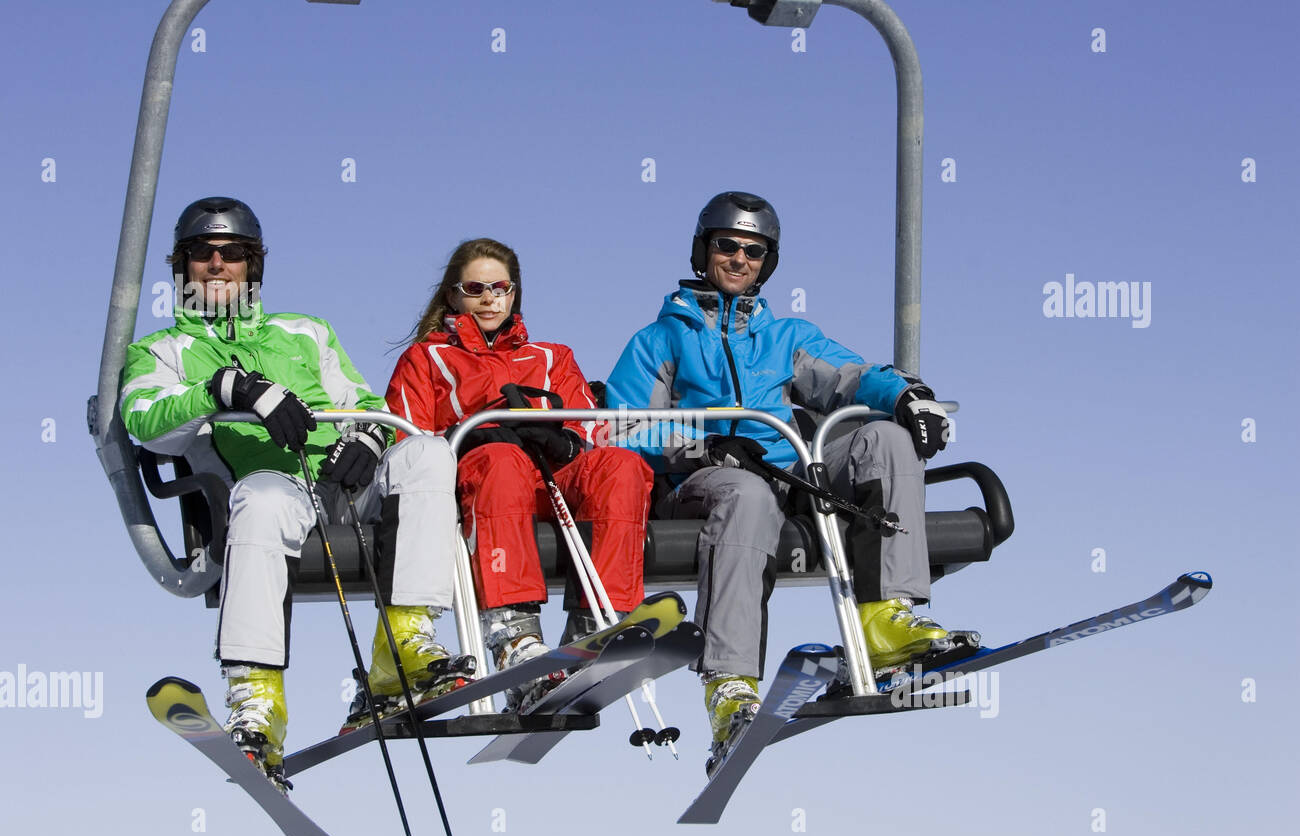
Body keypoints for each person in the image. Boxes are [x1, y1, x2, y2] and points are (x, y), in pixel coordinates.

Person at [604, 191, 977, 772]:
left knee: (884, 438)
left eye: (754, 251)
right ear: (704, 251)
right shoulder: (660, 340)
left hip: (784, 470)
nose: (739, 259)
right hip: (701, 483)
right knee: (747, 493)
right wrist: (700, 443)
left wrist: (907, 397)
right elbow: (623, 427)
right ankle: (730, 688)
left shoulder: (785, 337)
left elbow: (851, 377)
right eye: (727, 246)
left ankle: (885, 620)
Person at [120, 197, 464, 786]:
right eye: (204, 254)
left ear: (255, 266)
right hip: (270, 489)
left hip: (341, 484)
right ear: (182, 267)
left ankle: (402, 651)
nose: (219, 265)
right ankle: (257, 705)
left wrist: (367, 440)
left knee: (429, 453)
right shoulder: (162, 351)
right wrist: (226, 389)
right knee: (262, 500)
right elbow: (144, 419)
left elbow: (370, 406)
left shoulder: (307, 332)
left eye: (234, 254)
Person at [387, 238, 654, 712]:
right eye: (475, 288)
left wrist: (563, 438)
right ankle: (516, 642)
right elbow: (410, 442)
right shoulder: (426, 359)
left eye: (500, 287)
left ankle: (595, 626)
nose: (489, 299)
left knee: (623, 466)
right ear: (453, 295)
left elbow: (588, 424)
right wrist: (471, 437)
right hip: (485, 481)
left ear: (514, 294)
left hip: (553, 478)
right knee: (503, 461)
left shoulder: (551, 357)